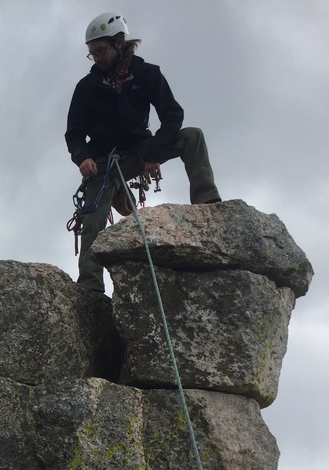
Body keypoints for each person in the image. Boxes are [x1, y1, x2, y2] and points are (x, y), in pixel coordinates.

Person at [65, 12, 222, 293]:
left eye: (100, 51)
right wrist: (83, 156)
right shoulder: (87, 87)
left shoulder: (148, 74)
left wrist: (156, 153)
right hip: (104, 163)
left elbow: (172, 116)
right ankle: (90, 285)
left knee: (192, 137)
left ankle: (207, 203)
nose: (97, 58)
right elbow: (74, 132)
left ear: (119, 42)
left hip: (141, 149)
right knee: (93, 217)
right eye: (92, 54)